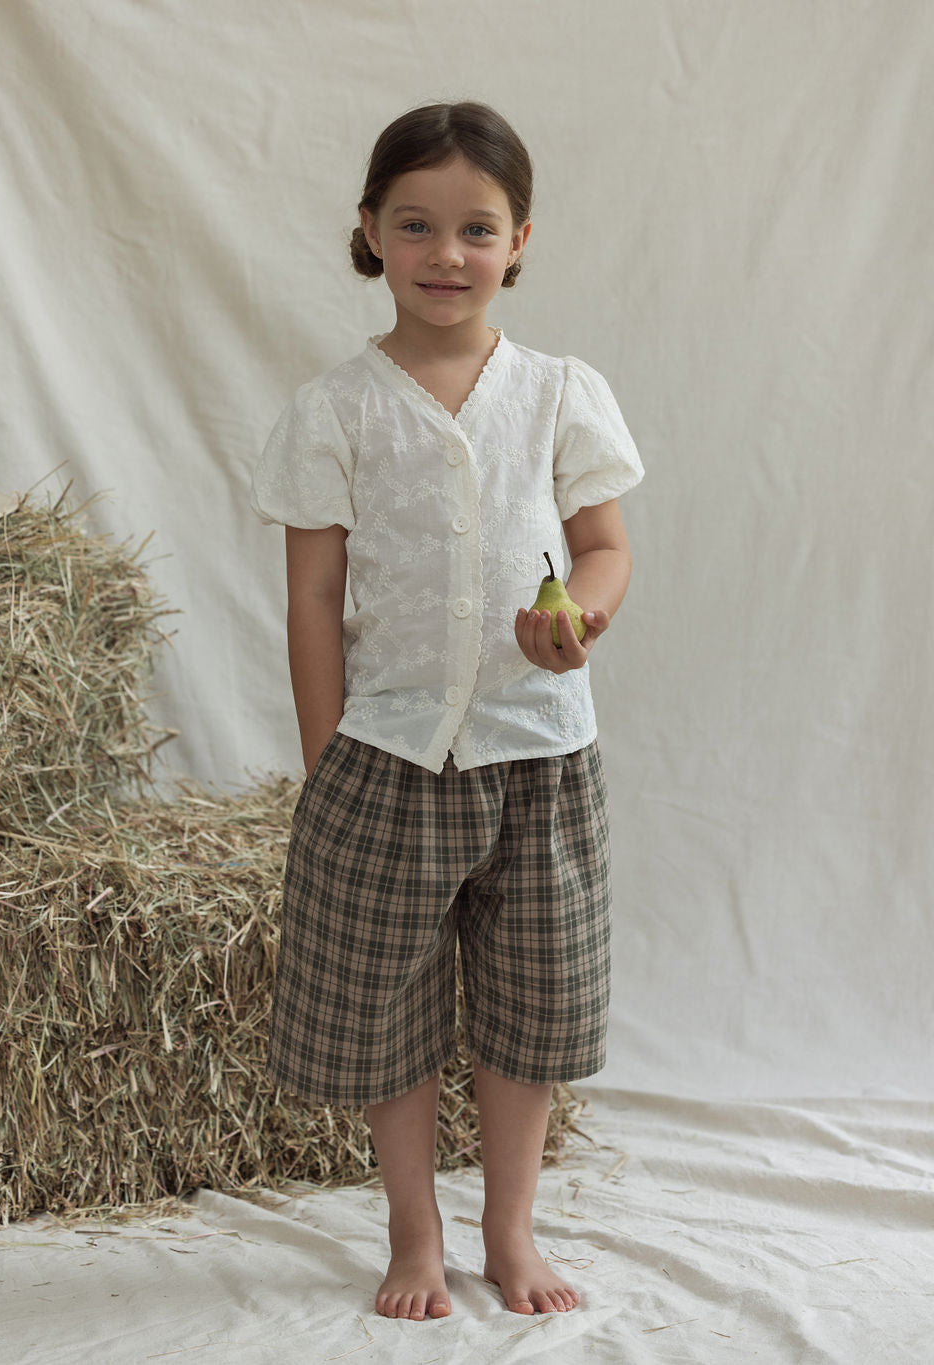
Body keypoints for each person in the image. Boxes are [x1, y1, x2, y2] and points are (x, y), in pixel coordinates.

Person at [250, 100, 644, 1322]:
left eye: (476, 229)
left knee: (531, 1003)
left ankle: (510, 1229)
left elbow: (606, 547)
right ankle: (413, 1232)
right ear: (368, 232)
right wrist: (327, 756)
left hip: (540, 757)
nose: (445, 254)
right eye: (414, 225)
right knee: (387, 1010)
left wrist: (577, 616)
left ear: (520, 240)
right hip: (390, 755)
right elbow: (314, 592)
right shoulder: (335, 408)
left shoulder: (563, 391)